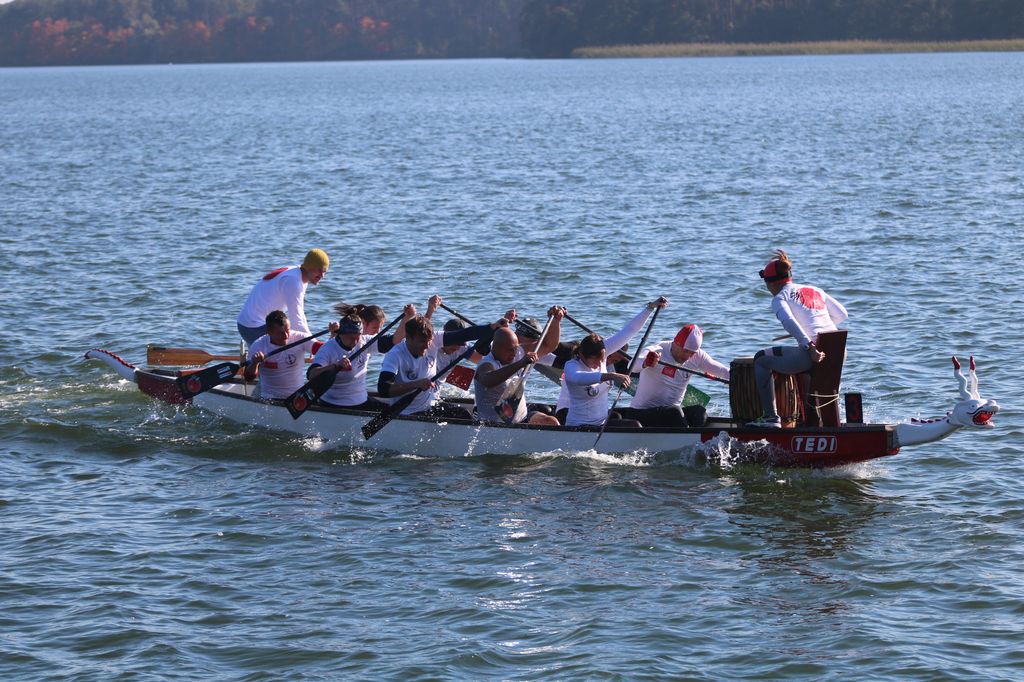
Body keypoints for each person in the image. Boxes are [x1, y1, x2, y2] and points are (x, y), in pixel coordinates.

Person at [748, 249, 848, 428]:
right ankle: (819, 422)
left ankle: (771, 419)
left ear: (771, 283)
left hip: (812, 353)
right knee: (821, 381)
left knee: (760, 359)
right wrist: (818, 326)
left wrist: (809, 345)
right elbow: (842, 314)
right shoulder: (814, 289)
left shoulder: (780, 298)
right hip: (838, 349)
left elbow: (789, 321)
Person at [377, 313, 507, 420]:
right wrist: (416, 384)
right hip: (406, 412)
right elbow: (383, 389)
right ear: (409, 338)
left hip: (430, 405)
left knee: (465, 415)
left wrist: (492, 327)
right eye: (422, 342)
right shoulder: (395, 355)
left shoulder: (435, 338)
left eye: (428, 341)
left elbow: (465, 334)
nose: (427, 346)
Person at [562, 298, 668, 428]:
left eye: (601, 359)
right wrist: (611, 375)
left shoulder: (602, 351)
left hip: (602, 423)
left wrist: (650, 308)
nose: (599, 364)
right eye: (595, 361)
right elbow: (578, 378)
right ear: (583, 355)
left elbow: (629, 330)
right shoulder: (571, 366)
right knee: (634, 426)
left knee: (634, 424)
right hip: (579, 426)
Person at [306, 304, 415, 411]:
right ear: (341, 334)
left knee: (397, 410)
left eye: (357, 337)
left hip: (361, 401)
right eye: (351, 338)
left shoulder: (364, 341)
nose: (355, 342)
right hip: (333, 404)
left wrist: (407, 317)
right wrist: (335, 366)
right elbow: (311, 374)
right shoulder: (327, 349)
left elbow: (395, 340)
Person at [622, 324, 730, 427]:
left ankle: (691, 436)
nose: (687, 357)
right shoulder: (657, 350)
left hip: (670, 415)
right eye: (686, 351)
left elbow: (723, 372)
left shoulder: (698, 356)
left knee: (699, 413)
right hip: (640, 413)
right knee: (675, 412)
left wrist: (736, 375)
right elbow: (631, 365)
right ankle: (689, 437)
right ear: (676, 343)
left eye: (692, 353)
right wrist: (646, 362)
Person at [474, 311, 565, 426]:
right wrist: (520, 363)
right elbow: (487, 380)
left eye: (515, 349)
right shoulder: (486, 364)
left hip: (522, 419)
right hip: (493, 425)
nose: (513, 354)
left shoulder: (518, 352)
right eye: (509, 350)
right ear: (495, 347)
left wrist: (556, 320)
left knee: (552, 422)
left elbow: (549, 345)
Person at [236, 248, 330, 345]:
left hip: (246, 323)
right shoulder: (293, 281)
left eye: (324, 272)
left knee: (293, 337)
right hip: (253, 326)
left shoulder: (298, 274)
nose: (322, 276)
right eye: (319, 270)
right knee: (290, 345)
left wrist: (312, 341)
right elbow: (296, 320)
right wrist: (314, 344)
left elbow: (300, 315)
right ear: (308, 267)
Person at [244, 310, 331, 400]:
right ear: (269, 332)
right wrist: (254, 364)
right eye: (281, 333)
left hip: (297, 398)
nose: (286, 336)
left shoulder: (299, 338)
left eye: (287, 330)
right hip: (270, 398)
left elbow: (323, 349)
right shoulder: (258, 346)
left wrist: (334, 336)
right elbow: (248, 377)